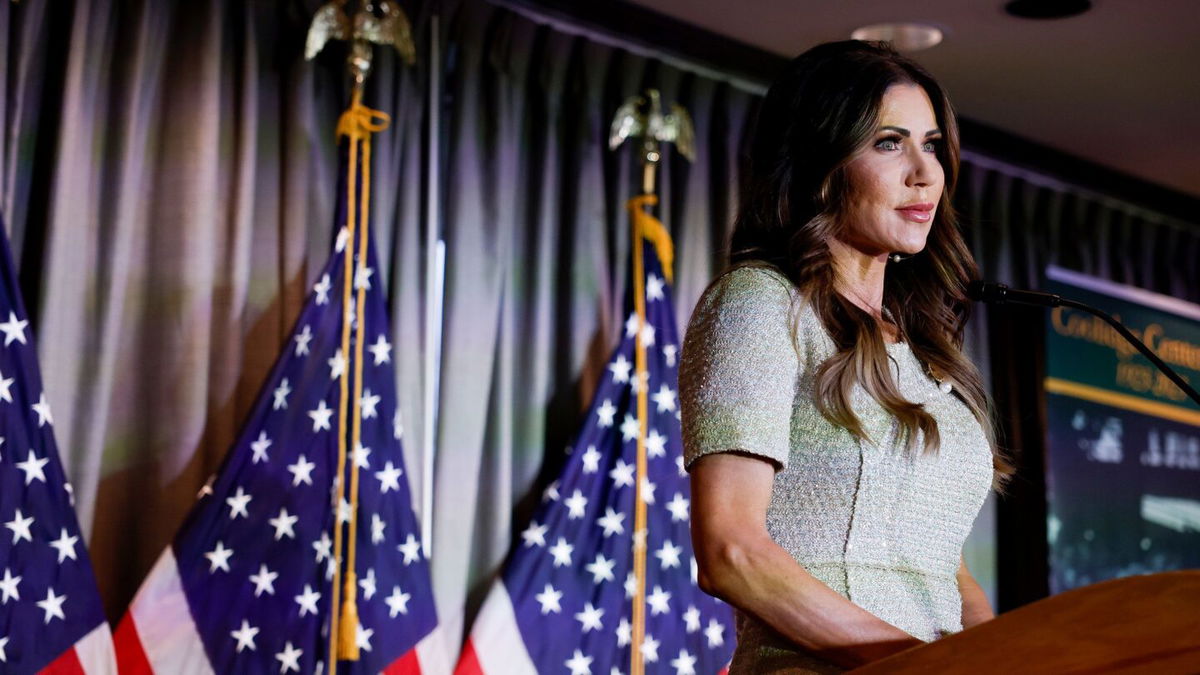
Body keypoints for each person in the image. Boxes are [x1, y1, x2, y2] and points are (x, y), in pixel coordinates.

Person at [679, 40, 1012, 673]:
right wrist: (918, 665)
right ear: (821, 165)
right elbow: (731, 552)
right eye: (889, 143)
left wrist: (998, 659)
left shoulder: (924, 351)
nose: (926, 172)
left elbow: (943, 566)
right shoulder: (759, 304)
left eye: (933, 144)